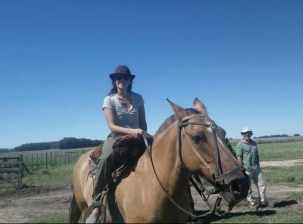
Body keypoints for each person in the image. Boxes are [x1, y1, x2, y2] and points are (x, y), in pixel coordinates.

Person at [86, 65, 147, 223]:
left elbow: (143, 123)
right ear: (114, 80)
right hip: (117, 137)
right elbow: (112, 126)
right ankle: (97, 203)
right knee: (105, 159)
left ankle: (185, 201)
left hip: (139, 136)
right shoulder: (109, 100)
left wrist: (141, 133)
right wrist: (131, 132)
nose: (122, 80)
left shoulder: (138, 98)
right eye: (118, 78)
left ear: (130, 80)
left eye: (125, 78)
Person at [236, 127, 269, 208]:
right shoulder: (240, 144)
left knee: (262, 184)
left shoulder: (254, 143)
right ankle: (251, 202)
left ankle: (262, 201)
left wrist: (258, 165)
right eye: (245, 133)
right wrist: (241, 168)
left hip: (256, 168)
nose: (247, 134)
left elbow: (257, 155)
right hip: (246, 169)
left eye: (248, 133)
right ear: (242, 134)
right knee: (248, 187)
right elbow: (239, 156)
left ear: (251, 134)